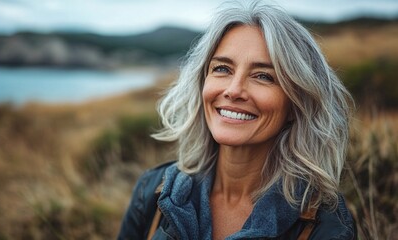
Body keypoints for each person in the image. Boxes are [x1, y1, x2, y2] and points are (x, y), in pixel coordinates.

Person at [118, 1, 356, 239]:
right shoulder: (153, 191)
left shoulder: (327, 227)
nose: (234, 90)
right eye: (222, 69)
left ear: (296, 103)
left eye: (263, 76)